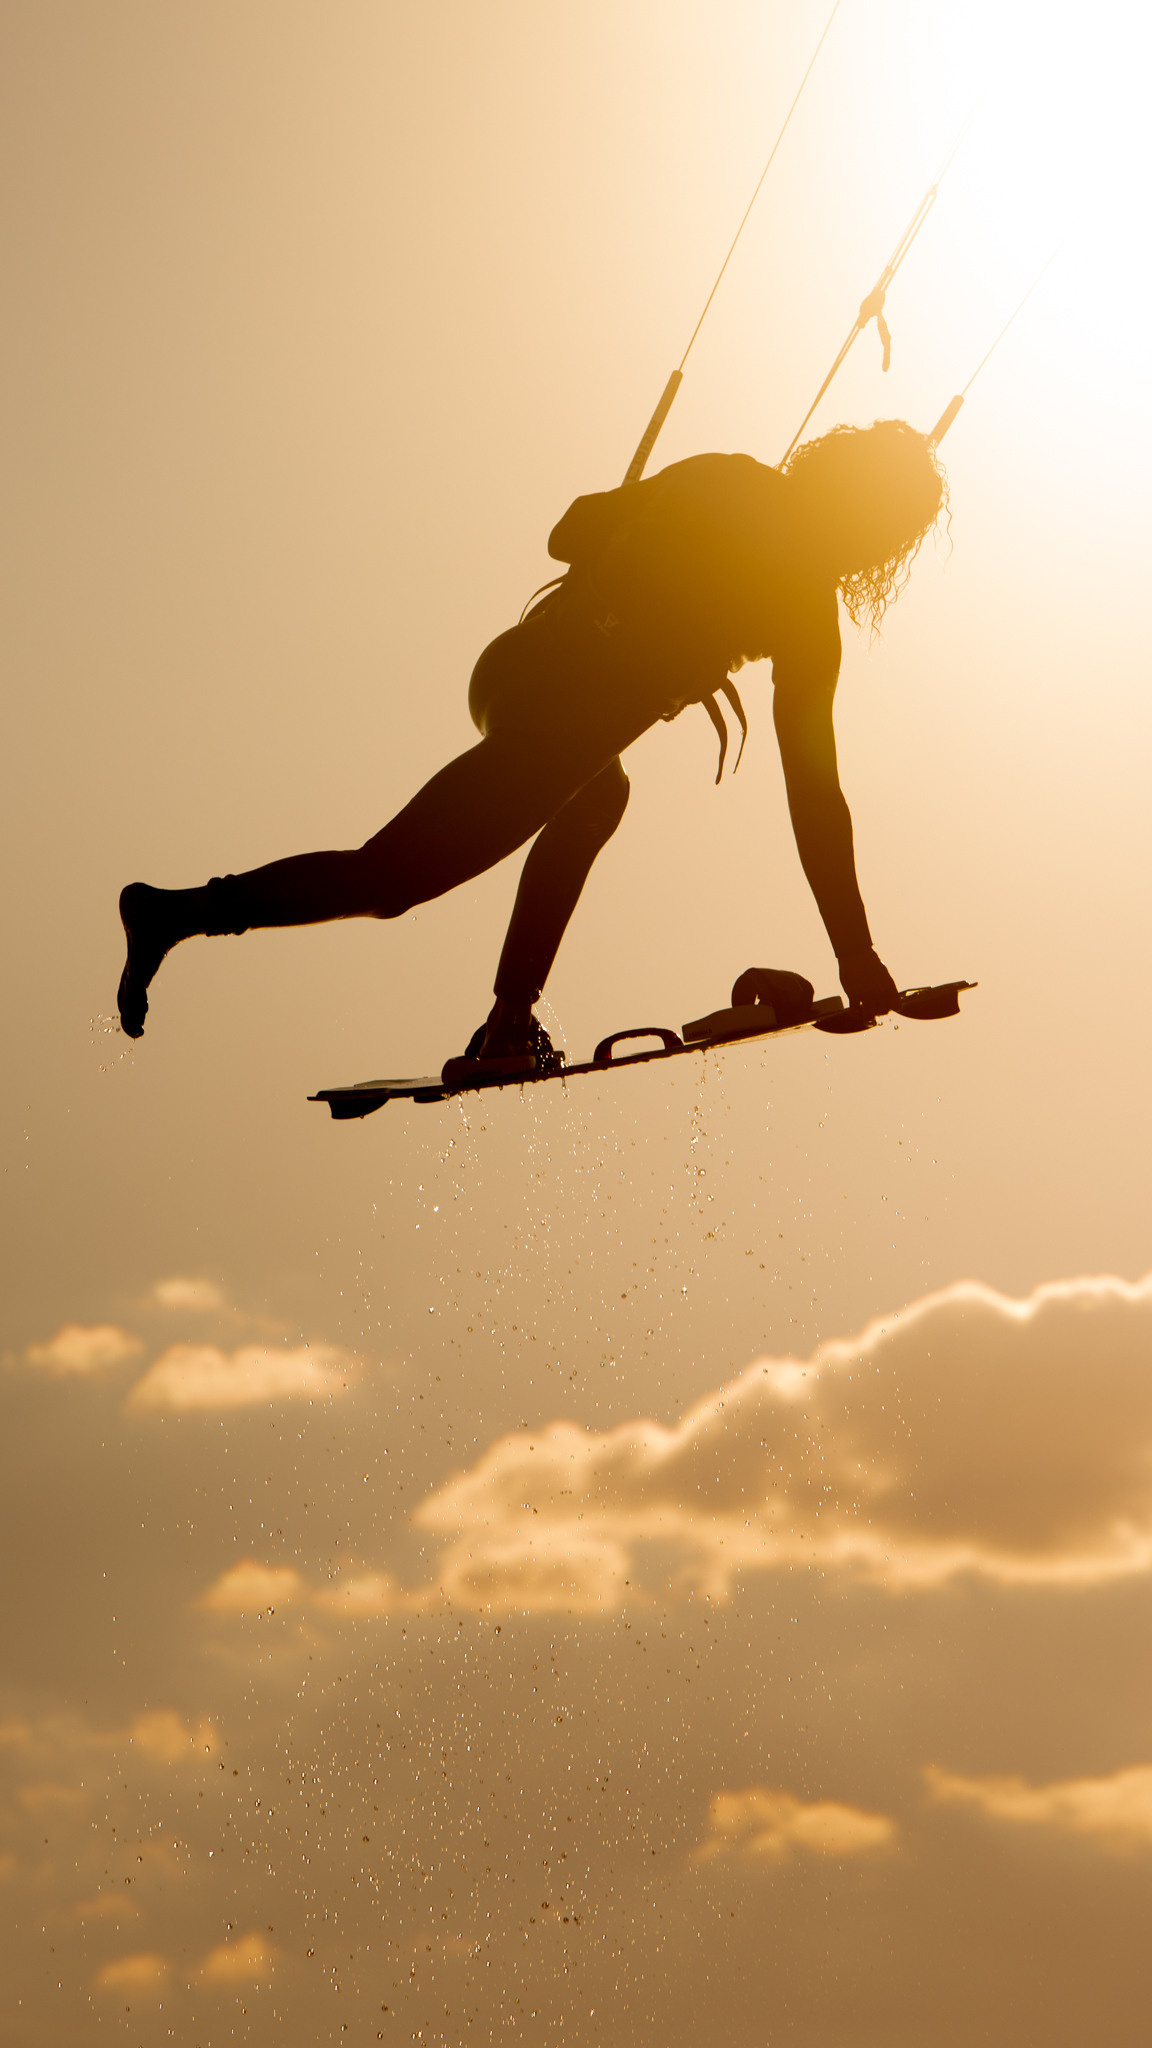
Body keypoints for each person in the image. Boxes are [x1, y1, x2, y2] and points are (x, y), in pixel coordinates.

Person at [116, 419, 945, 1075]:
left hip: (510, 673)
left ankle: (511, 1016)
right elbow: (814, 791)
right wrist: (857, 955)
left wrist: (639, 528)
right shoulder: (797, 597)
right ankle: (177, 911)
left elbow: (567, 532)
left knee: (601, 794)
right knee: (392, 878)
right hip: (558, 719)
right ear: (877, 536)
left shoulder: (730, 483)